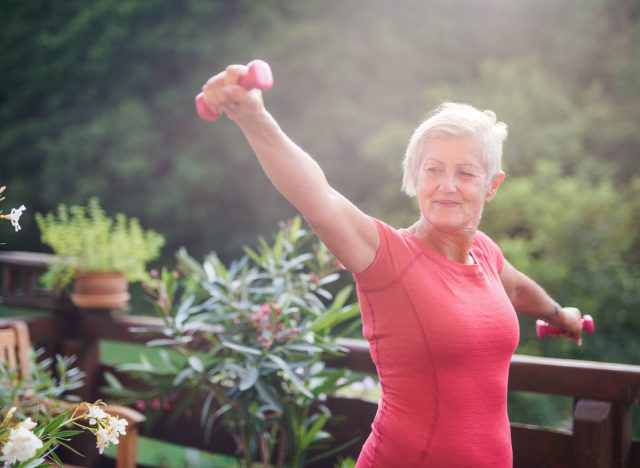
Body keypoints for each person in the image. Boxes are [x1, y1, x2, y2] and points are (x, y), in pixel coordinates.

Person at [200, 64, 584, 467]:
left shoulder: (485, 253)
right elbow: (317, 196)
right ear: (415, 178)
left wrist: (561, 315)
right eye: (433, 169)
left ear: (492, 185)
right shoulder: (389, 258)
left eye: (466, 173)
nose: (447, 185)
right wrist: (254, 119)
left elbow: (518, 288)